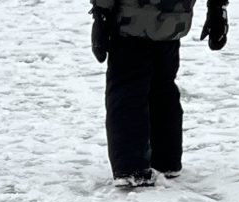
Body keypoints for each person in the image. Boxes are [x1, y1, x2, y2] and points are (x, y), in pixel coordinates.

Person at [90, 0, 230, 186]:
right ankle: (166, 161)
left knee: (127, 92)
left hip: (131, 19)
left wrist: (101, 12)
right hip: (173, 19)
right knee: (162, 87)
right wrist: (217, 8)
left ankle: (132, 169)